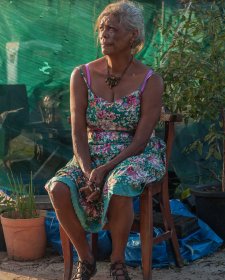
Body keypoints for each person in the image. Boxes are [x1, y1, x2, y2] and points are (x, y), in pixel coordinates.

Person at [45, 1, 165, 279]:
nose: (104, 34)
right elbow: (77, 131)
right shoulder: (82, 75)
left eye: (112, 28)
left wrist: (105, 170)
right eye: (102, 28)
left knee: (119, 183)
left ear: (132, 35)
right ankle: (86, 259)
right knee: (58, 188)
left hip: (135, 154)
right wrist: (89, 171)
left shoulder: (151, 80)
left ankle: (118, 262)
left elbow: (142, 138)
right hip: (90, 152)